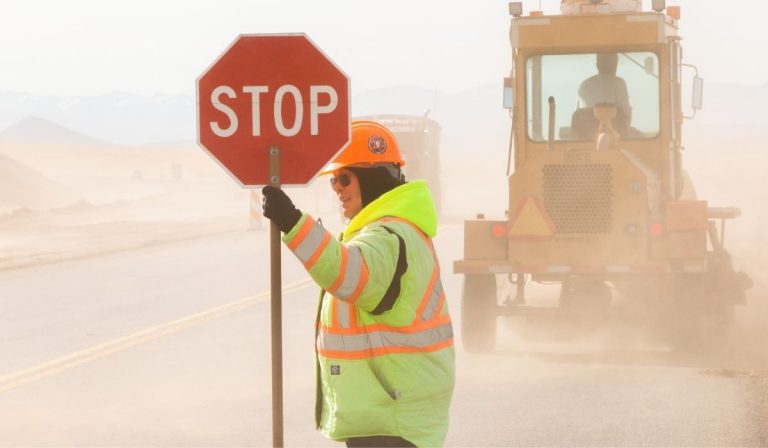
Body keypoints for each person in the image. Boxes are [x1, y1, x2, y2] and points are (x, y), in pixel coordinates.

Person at [261, 120, 455, 448]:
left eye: (344, 178)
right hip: (389, 411)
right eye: (333, 180)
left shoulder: (389, 235)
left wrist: (292, 222)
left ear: (372, 177)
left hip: (392, 417)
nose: (336, 188)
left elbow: (350, 273)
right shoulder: (390, 229)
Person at [577, 52, 632, 127]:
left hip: (587, 132)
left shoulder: (584, 84)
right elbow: (626, 115)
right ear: (615, 64)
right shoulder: (619, 83)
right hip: (614, 132)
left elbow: (577, 116)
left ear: (597, 65)